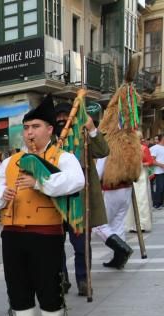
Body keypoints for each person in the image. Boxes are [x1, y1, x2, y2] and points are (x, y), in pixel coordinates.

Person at [0, 94, 86, 316]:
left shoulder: (63, 157)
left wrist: (40, 183)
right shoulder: (10, 161)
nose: (29, 133)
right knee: (17, 286)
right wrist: (0, 197)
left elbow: (76, 181)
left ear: (50, 129)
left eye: (35, 127)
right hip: (12, 233)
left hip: (46, 233)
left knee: (48, 287)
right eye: (26, 128)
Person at [54, 102, 109, 291]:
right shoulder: (50, 141)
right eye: (58, 118)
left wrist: (92, 128)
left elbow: (103, 151)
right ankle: (61, 279)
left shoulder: (83, 137)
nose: (62, 121)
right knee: (55, 246)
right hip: (56, 203)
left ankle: (84, 280)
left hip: (80, 200)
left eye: (65, 117)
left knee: (81, 245)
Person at [150, 135, 164, 209]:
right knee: (160, 188)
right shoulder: (155, 148)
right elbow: (152, 160)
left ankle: (161, 203)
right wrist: (161, 165)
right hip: (158, 171)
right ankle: (156, 204)